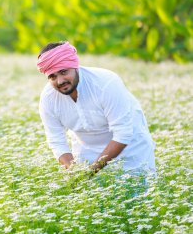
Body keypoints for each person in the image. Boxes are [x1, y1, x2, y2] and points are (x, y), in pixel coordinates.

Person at [37, 41, 156, 174]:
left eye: (63, 72)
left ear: (75, 66)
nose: (60, 81)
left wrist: (91, 172)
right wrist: (75, 171)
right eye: (52, 77)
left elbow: (123, 133)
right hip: (86, 155)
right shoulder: (48, 98)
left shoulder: (105, 83)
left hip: (131, 152)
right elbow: (56, 140)